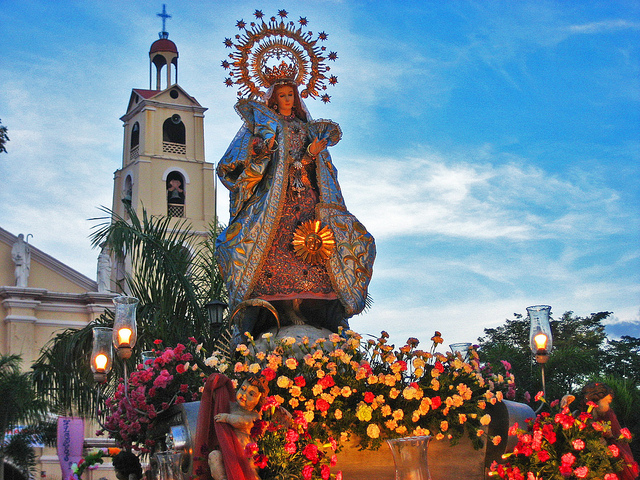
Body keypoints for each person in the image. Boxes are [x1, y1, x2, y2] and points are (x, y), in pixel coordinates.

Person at [216, 78, 376, 344]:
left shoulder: (308, 129)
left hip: (307, 203)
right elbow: (237, 161)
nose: (288, 99)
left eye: (292, 94)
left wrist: (312, 154)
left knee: (319, 251)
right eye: (283, 95)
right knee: (265, 249)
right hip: (274, 204)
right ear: (274, 98)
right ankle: (249, 322)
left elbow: (322, 170)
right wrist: (260, 149)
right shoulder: (265, 125)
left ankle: (330, 315)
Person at [193, 373, 268, 480]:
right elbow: (218, 402)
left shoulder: (254, 416)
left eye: (251, 394)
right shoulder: (231, 406)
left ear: (259, 401)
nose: (244, 395)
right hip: (226, 451)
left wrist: (227, 418)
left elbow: (243, 422)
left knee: (250, 474)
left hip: (243, 456)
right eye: (242, 389)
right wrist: (216, 388)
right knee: (214, 456)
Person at [578, 382, 639, 480]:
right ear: (596, 402)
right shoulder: (582, 419)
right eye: (607, 402)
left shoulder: (608, 415)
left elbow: (616, 436)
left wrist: (610, 436)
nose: (609, 407)